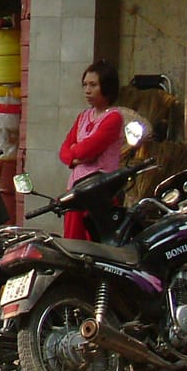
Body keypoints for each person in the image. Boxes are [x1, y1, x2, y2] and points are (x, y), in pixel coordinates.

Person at [59, 60, 123, 240]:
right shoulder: (83, 116)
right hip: (76, 191)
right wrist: (75, 156)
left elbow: (86, 151)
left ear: (107, 86)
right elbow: (64, 151)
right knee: (72, 241)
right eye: (85, 85)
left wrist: (76, 153)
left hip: (99, 193)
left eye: (93, 85)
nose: (87, 90)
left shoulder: (113, 118)